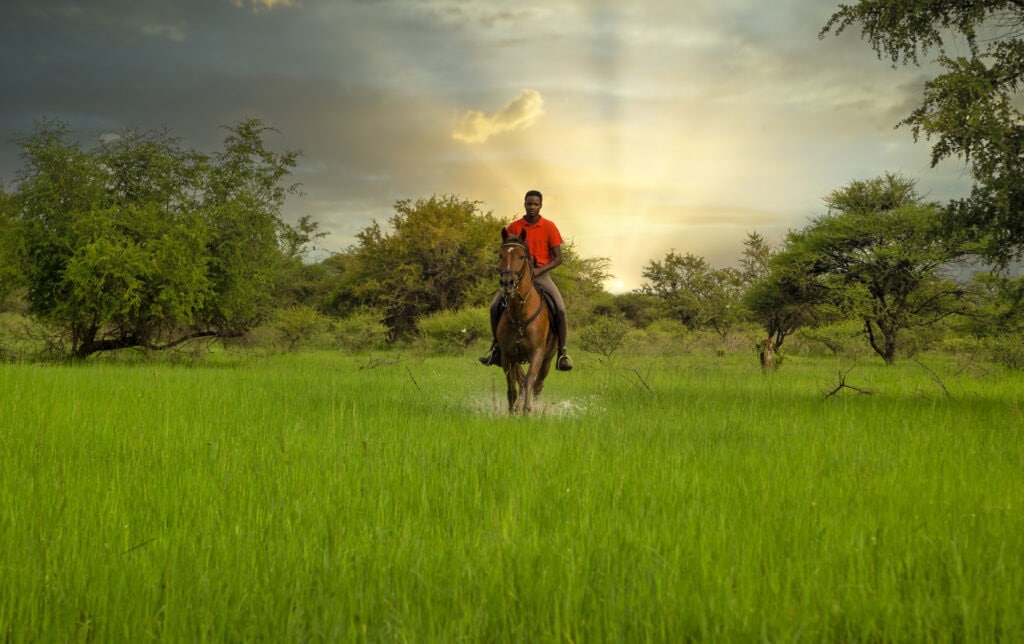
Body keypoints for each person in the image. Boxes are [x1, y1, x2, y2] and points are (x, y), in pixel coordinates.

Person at [479, 189, 573, 371]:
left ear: (540, 206)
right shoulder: (514, 227)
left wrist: (538, 270)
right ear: (524, 204)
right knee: (494, 306)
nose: (532, 207)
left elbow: (558, 258)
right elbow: (508, 254)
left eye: (535, 204)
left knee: (560, 309)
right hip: (517, 277)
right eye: (529, 203)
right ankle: (496, 348)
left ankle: (562, 353)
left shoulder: (549, 226)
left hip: (541, 275)